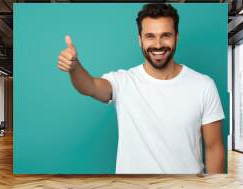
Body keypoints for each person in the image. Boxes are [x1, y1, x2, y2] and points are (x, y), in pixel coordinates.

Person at [57, 3, 225, 174]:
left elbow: (214, 148)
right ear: (140, 39)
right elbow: (90, 86)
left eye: (166, 35)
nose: (158, 44)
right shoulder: (123, 82)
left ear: (177, 37)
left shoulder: (203, 85)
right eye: (150, 36)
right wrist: (75, 67)